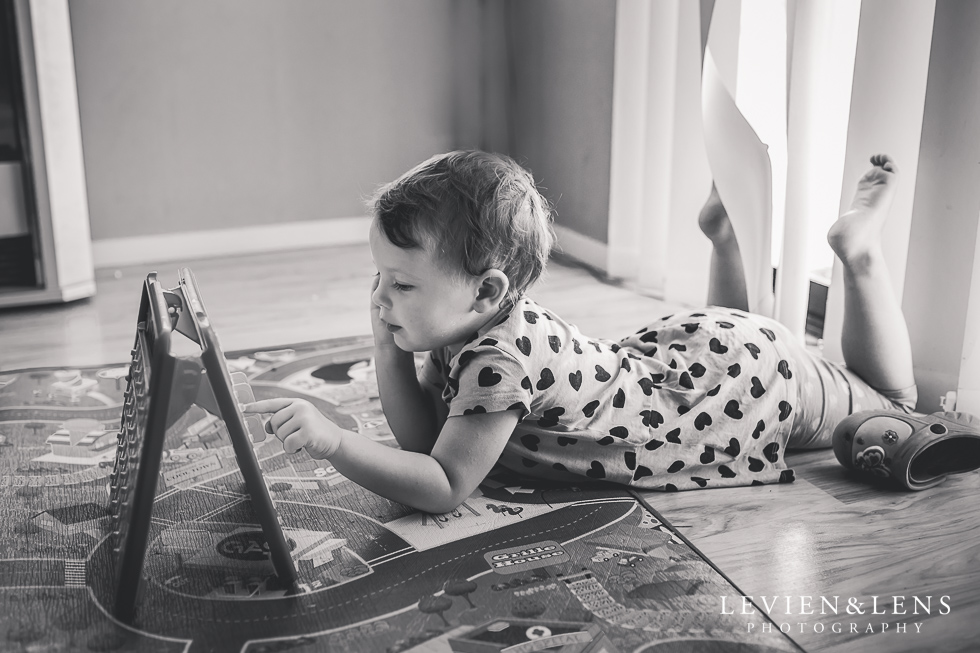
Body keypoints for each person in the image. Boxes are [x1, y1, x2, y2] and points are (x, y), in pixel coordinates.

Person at [243, 151, 916, 513]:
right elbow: (427, 436)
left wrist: (337, 442)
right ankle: (726, 242)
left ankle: (857, 254)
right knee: (728, 361)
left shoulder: (497, 363)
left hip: (747, 383)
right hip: (696, 358)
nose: (380, 296)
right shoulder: (465, 323)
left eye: (403, 284)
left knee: (894, 402)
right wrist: (389, 349)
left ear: (487, 291)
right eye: (381, 276)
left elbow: (443, 482)